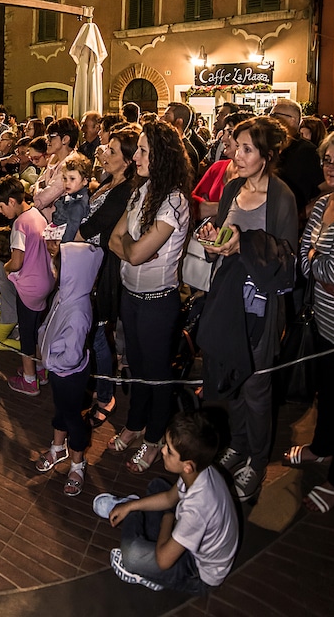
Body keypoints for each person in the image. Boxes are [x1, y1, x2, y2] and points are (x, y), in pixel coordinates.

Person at [193, 114, 298, 503]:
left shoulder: (282, 196)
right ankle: (237, 445)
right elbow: (223, 236)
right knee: (231, 379)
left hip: (260, 309)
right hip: (226, 302)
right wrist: (211, 239)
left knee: (256, 387)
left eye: (247, 149)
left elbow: (286, 263)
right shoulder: (233, 185)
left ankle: (256, 459)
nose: (236, 153)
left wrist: (242, 245)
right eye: (236, 145)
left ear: (267, 156)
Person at [107, 121, 192, 475]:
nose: (136, 157)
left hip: (158, 302)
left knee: (156, 375)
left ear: (161, 157)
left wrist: (132, 250)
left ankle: (155, 438)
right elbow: (116, 240)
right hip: (132, 296)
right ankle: (134, 424)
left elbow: (135, 251)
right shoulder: (140, 191)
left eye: (143, 151)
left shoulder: (173, 201)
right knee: (137, 368)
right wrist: (134, 250)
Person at [102, 409, 239, 594]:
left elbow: (163, 560)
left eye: (169, 450)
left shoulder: (198, 509)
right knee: (157, 485)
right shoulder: (201, 471)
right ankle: (132, 510)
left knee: (132, 556)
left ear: (188, 466)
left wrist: (168, 517)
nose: (163, 451)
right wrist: (130, 506)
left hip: (197, 573)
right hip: (188, 534)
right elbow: (169, 498)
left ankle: (147, 572)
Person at [76, 126, 138, 429]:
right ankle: (92, 385)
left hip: (102, 268)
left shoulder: (126, 190)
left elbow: (96, 225)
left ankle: (105, 395)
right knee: (92, 330)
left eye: (112, 151)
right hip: (87, 263)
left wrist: (65, 241)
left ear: (127, 160)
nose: (104, 154)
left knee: (99, 332)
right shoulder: (109, 180)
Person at [294, 127, 334, 513]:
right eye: (327, 159)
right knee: (328, 392)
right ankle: (323, 446)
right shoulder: (324, 205)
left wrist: (313, 258)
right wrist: (313, 260)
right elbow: (306, 262)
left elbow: (331, 267)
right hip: (324, 320)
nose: (330, 167)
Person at [32, 241, 102, 496]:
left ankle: (77, 463)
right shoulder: (64, 294)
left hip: (69, 373)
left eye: (57, 268)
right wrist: (42, 342)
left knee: (73, 418)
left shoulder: (79, 310)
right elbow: (48, 323)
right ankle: (58, 449)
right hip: (58, 371)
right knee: (62, 410)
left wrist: (49, 361)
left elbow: (71, 356)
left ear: (73, 274)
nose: (53, 271)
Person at [0, 176, 54, 396]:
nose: (1, 212)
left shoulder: (19, 224)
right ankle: (40, 370)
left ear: (11, 201)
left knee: (26, 335)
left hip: (29, 287)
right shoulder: (37, 214)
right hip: (46, 281)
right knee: (37, 329)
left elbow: (17, 261)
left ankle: (29, 381)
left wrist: (6, 267)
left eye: (1, 206)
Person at [270, 98, 323, 212]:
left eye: (275, 115)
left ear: (292, 120)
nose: (270, 119)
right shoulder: (270, 147)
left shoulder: (308, 152)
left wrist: (304, 213)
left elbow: (327, 188)